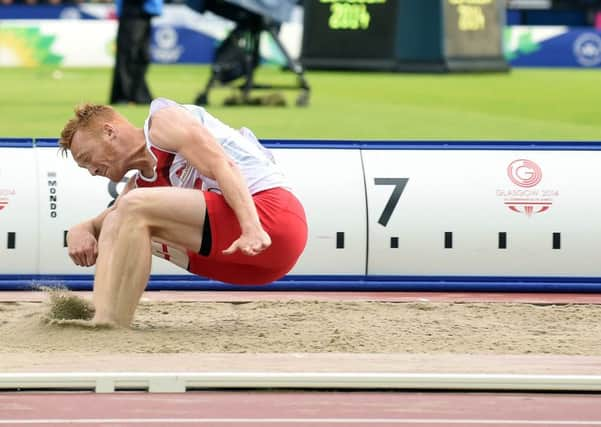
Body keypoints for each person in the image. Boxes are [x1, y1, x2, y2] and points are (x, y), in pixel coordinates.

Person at [59, 97, 308, 327]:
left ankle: (115, 324)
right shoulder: (140, 185)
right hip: (249, 265)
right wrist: (82, 228)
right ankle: (101, 316)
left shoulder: (162, 122)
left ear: (109, 132)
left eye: (87, 158)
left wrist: (252, 227)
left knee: (130, 208)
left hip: (271, 217)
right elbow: (105, 221)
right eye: (85, 167)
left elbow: (224, 165)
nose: (92, 171)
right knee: (117, 219)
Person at [109, 0, 162, 105]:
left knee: (142, 56)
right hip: (132, 12)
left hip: (145, 13)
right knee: (127, 56)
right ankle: (123, 96)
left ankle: (138, 94)